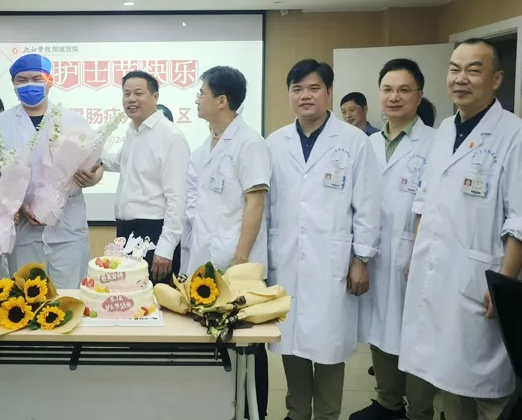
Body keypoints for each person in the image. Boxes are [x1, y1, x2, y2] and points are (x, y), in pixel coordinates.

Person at [399, 38, 522, 420]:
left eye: (473, 70)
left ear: (496, 79)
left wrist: (502, 284)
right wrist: (416, 256)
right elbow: (424, 201)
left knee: (485, 388)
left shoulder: (517, 137)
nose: (460, 78)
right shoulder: (445, 129)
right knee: (448, 378)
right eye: (454, 69)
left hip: (481, 278)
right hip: (435, 271)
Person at [267, 59, 380, 420]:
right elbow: (265, 207)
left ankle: (328, 415)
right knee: (291, 342)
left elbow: (367, 205)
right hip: (286, 259)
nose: (305, 96)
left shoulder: (354, 142)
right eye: (297, 89)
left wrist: (361, 258)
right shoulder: (275, 142)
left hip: (334, 261)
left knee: (330, 346)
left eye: (314, 88)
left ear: (329, 93)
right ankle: (297, 412)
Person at [350, 59, 435, 420]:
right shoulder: (365, 144)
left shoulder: (435, 143)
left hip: (415, 252)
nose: (394, 97)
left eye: (403, 90)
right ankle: (387, 402)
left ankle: (419, 410)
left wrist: (419, 255)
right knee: (380, 326)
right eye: (387, 89)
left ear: (419, 95)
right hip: (374, 252)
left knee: (417, 333)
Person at [187, 65, 270, 419]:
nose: (197, 99)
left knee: (247, 342)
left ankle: (254, 412)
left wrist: (240, 258)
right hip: (206, 255)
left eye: (201, 93)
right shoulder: (206, 145)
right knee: (213, 339)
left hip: (237, 260)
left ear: (221, 100)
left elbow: (256, 203)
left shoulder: (250, 143)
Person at [0, 54, 95, 288]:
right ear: (13, 84)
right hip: (23, 229)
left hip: (67, 228)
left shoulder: (72, 120)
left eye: (36, 78)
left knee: (70, 296)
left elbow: (95, 166)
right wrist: (17, 204)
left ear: (50, 81)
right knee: (27, 296)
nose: (29, 84)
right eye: (22, 80)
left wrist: (91, 178)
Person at [94, 71, 190, 283]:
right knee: (127, 294)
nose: (131, 99)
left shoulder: (170, 136)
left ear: (155, 97)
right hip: (125, 231)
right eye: (126, 93)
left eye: (138, 93)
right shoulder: (133, 131)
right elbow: (120, 161)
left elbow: (177, 198)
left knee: (154, 298)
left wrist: (166, 248)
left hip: (153, 233)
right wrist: (87, 153)